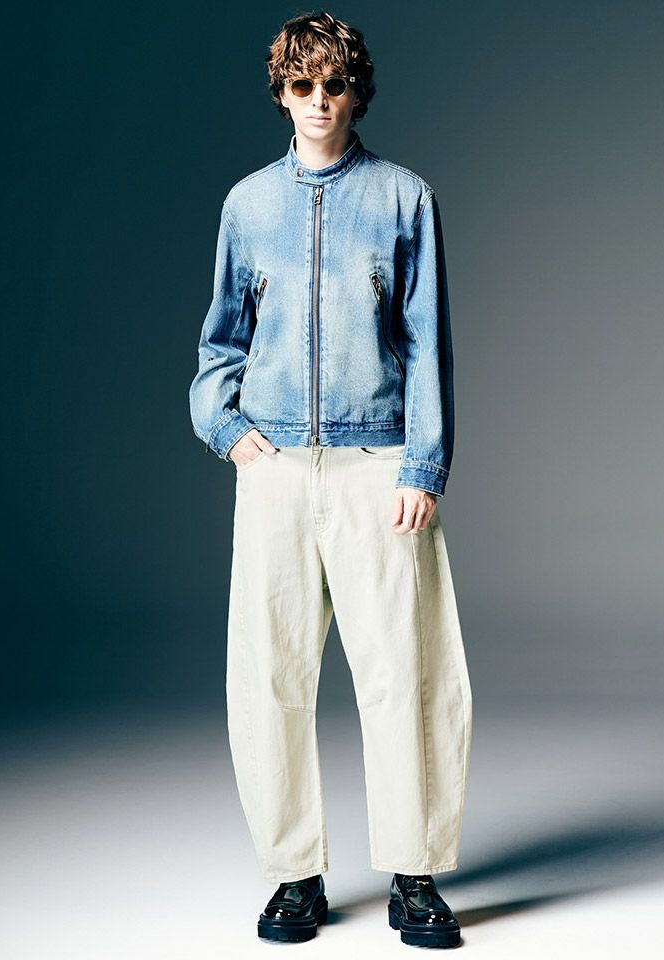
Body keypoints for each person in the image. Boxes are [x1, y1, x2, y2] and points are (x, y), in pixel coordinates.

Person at [188, 10, 473, 949]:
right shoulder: (247, 206)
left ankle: (414, 875)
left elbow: (427, 344)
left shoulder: (403, 198)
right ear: (281, 93)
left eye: (335, 85)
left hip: (378, 467)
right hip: (274, 468)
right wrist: (226, 427)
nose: (319, 101)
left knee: (407, 674)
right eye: (302, 85)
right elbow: (221, 340)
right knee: (267, 676)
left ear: (357, 92)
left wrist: (422, 464)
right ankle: (293, 876)